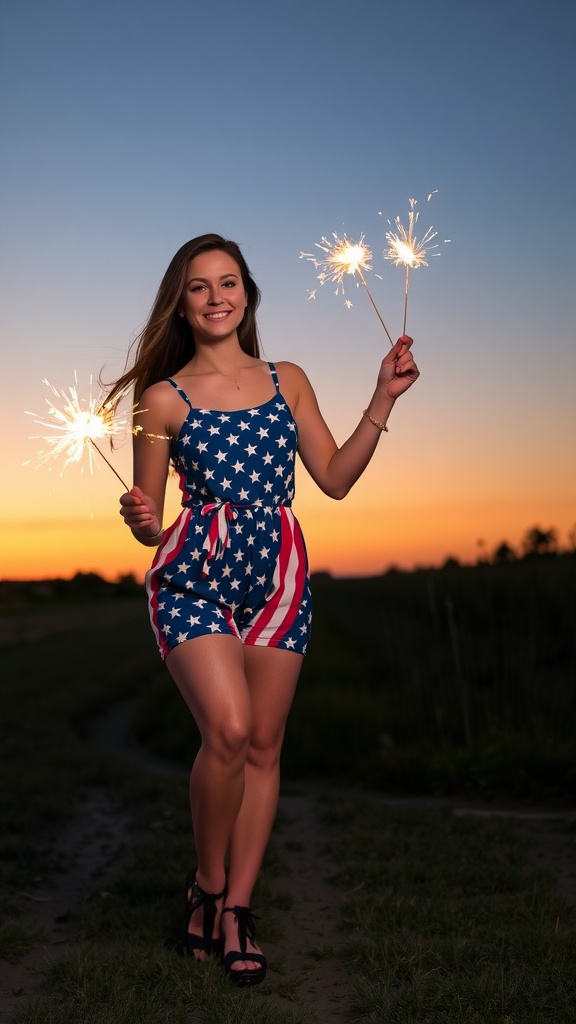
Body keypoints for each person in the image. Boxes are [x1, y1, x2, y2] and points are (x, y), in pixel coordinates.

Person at [107, 233, 419, 985]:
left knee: (264, 748)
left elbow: (336, 478)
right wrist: (142, 521)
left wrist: (381, 397)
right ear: (179, 305)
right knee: (230, 729)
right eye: (198, 287)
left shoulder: (290, 379)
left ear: (248, 293)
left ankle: (237, 906)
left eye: (229, 282)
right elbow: (148, 511)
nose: (217, 297)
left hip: (278, 571)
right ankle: (208, 884)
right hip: (195, 574)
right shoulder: (160, 400)